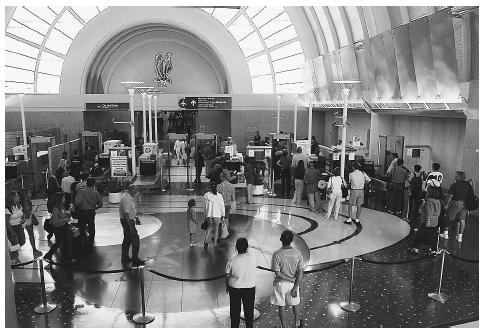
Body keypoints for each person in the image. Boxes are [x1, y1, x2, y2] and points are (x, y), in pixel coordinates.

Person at [269, 230, 305, 328]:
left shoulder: (277, 254)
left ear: (281, 239)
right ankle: (297, 323)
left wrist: (290, 279)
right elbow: (300, 271)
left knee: (281, 305)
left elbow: (277, 273)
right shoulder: (298, 253)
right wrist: (295, 285)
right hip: (294, 283)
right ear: (292, 240)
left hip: (280, 284)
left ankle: (284, 327)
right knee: (295, 303)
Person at [225, 238, 258, 328]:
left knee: (235, 312)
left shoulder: (232, 259)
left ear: (236, 247)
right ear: (247, 247)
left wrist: (227, 286)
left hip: (235, 288)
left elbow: (227, 275)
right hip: (250, 287)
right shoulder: (252, 257)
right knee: (249, 312)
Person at [407, 184, 442, 254]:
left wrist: (427, 222)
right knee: (432, 237)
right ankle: (434, 250)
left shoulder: (429, 201)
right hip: (435, 222)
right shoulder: (437, 200)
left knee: (420, 235)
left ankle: (415, 248)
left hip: (427, 222)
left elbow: (429, 212)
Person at [43, 192, 75, 263]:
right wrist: (66, 219)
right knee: (59, 242)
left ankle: (69, 258)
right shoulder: (55, 209)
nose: (64, 199)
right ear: (59, 199)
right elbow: (54, 222)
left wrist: (67, 213)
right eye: (63, 198)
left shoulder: (61, 206)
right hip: (58, 228)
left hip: (63, 226)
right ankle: (47, 256)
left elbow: (62, 214)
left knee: (67, 242)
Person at [74, 177, 103, 250]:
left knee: (82, 227)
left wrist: (74, 207)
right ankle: (91, 242)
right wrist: (95, 208)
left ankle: (84, 241)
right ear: (93, 184)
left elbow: (77, 202)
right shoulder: (95, 192)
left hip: (82, 212)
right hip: (91, 212)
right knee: (91, 226)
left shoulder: (81, 191)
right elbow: (100, 203)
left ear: (86, 183)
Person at [445, 171, 474, 243]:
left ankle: (445, 234)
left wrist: (446, 205)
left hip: (456, 203)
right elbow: (471, 195)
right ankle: (460, 237)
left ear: (459, 177)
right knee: (462, 220)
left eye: (456, 176)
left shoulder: (454, 184)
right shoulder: (469, 185)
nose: (455, 177)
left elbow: (450, 196)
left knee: (449, 218)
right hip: (465, 204)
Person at [119, 185, 145, 265]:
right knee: (135, 240)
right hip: (127, 221)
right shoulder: (126, 199)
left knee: (127, 239)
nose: (136, 192)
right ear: (131, 190)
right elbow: (126, 213)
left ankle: (125, 257)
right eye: (135, 190)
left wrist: (135, 217)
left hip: (128, 220)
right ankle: (135, 258)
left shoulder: (128, 196)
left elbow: (130, 210)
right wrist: (130, 225)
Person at [19, 188, 43, 259]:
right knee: (21, 237)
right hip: (22, 221)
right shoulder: (21, 203)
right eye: (29, 192)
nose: (31, 193)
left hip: (28, 220)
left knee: (31, 235)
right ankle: (14, 253)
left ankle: (34, 250)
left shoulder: (29, 201)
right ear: (26, 194)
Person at [204, 182, 225, 249]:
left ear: (210, 187)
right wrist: (223, 215)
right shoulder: (219, 196)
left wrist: (205, 214)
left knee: (209, 227)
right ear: (216, 187)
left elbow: (205, 207)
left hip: (209, 215)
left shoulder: (206, 195)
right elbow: (222, 206)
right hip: (217, 215)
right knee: (216, 229)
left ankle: (205, 241)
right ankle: (215, 243)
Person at [6, 191, 26, 264]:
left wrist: (23, 219)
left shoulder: (18, 205)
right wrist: (11, 232)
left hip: (19, 227)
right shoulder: (7, 208)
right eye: (17, 196)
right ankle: (15, 258)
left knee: (22, 241)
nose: (19, 197)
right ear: (12, 198)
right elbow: (7, 222)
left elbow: (22, 214)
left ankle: (12, 253)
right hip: (12, 228)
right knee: (15, 243)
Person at [408, 164, 424, 229]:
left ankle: (410, 215)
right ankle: (416, 214)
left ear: (414, 168)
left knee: (411, 202)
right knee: (417, 203)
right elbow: (422, 182)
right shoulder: (421, 175)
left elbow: (409, 180)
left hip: (413, 190)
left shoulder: (412, 174)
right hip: (418, 191)